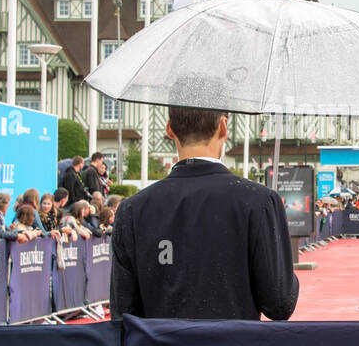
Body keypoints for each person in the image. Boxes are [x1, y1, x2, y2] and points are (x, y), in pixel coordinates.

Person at [110, 104, 299, 326]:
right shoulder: (258, 201)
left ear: (170, 129)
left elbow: (123, 314)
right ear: (223, 126)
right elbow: (279, 304)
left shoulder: (132, 210)